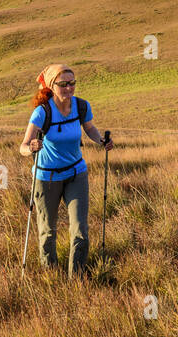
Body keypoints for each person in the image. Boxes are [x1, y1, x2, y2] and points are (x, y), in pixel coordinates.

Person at [18, 63, 112, 276]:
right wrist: (31, 147)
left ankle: (76, 279)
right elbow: (23, 146)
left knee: (80, 229)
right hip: (46, 177)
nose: (69, 88)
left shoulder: (81, 106)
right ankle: (51, 275)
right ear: (52, 86)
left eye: (72, 83)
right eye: (63, 84)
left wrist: (101, 141)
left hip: (76, 174)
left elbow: (89, 128)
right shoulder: (42, 112)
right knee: (48, 231)